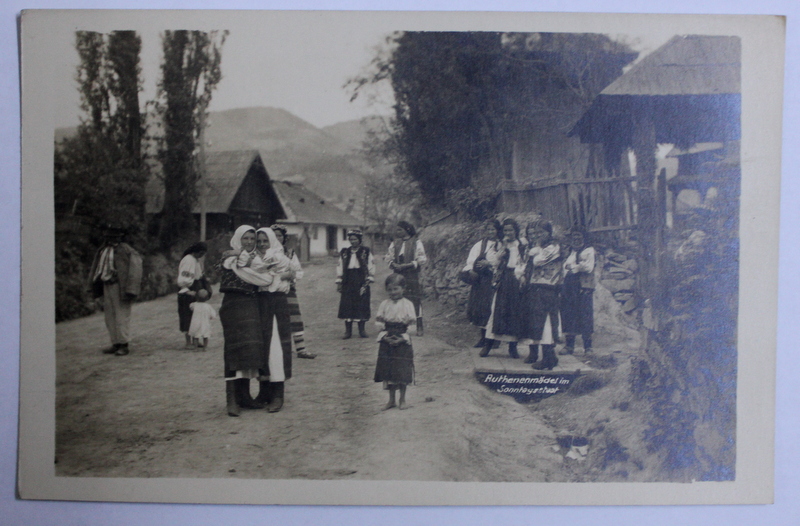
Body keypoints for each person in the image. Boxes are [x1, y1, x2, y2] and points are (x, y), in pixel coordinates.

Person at [217, 225, 275, 416]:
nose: (249, 242)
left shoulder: (257, 259)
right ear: (238, 239)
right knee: (234, 350)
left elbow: (265, 278)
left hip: (251, 306)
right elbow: (248, 274)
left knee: (250, 351)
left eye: (252, 239)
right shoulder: (229, 257)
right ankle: (231, 399)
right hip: (233, 305)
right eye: (246, 238)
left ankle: (244, 396)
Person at [252, 227, 295, 413]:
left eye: (265, 241)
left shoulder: (280, 257)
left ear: (272, 241)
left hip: (277, 303)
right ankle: (264, 391)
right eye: (259, 241)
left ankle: (278, 394)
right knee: (262, 346)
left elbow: (292, 274)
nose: (262, 245)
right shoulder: (253, 259)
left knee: (276, 347)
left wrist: (275, 277)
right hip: (260, 304)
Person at [88, 224, 143, 357]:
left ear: (120, 237)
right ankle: (115, 343)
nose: (111, 239)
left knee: (121, 316)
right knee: (110, 316)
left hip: (120, 287)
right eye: (109, 237)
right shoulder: (103, 250)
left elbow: (136, 268)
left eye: (114, 237)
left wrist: (131, 288)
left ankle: (124, 345)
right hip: (107, 285)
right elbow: (97, 268)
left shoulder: (126, 250)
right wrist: (93, 286)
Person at [517, 220, 564, 370]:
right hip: (537, 288)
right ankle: (549, 357)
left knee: (547, 323)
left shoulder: (554, 247)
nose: (538, 236)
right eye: (536, 233)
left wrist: (535, 250)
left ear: (549, 233)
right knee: (539, 322)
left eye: (541, 233)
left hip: (549, 288)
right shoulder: (539, 247)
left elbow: (538, 261)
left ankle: (549, 357)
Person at [480, 218, 523, 359]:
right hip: (503, 278)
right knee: (496, 310)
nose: (508, 233)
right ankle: (488, 344)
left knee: (514, 312)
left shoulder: (522, 244)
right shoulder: (499, 245)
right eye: (505, 230)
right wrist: (502, 249)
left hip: (516, 279)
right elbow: (492, 261)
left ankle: (512, 347)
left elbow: (524, 261)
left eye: (511, 230)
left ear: (516, 231)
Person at [271, 224, 315, 359]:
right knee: (274, 320)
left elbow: (298, 271)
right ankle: (278, 349)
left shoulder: (289, 253)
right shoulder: (264, 253)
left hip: (288, 290)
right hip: (270, 290)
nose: (277, 238)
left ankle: (301, 349)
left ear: (284, 238)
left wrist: (292, 275)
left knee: (294, 317)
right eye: (274, 235)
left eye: (279, 235)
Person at [374, 273, 417, 410]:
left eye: (396, 289)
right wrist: (384, 337)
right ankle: (391, 400)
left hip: (402, 338)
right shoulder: (384, 304)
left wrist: (402, 338)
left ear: (403, 288)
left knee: (402, 370)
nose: (393, 292)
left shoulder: (408, 305)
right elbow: (379, 322)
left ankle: (402, 400)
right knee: (389, 371)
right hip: (387, 337)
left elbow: (412, 326)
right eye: (390, 290)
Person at [463, 219, 501, 348]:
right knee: (481, 308)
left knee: (493, 308)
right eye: (488, 229)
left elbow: (502, 261)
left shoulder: (501, 244)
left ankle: (495, 339)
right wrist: (471, 270)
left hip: (495, 279)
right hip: (482, 280)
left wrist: (490, 265)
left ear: (498, 230)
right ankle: (483, 337)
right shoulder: (480, 245)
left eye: (493, 229)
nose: (491, 232)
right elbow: (471, 260)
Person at [386, 221, 427, 336]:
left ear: (407, 230)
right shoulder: (395, 243)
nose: (397, 232)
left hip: (411, 274)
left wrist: (406, 265)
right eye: (397, 229)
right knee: (398, 298)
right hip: (398, 274)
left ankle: (419, 326)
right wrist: (393, 265)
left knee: (415, 299)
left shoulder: (416, 242)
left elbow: (421, 259)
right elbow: (388, 258)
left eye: (399, 229)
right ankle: (399, 326)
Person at [559, 228, 596, 355]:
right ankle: (569, 346)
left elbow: (588, 267)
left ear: (584, 238)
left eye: (579, 236)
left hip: (583, 287)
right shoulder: (569, 251)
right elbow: (564, 268)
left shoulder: (589, 250)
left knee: (585, 315)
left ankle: (588, 347)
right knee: (569, 315)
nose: (576, 239)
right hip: (569, 287)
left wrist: (573, 267)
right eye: (574, 237)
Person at [337, 228, 375, 339]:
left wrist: (369, 277)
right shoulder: (345, 252)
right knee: (347, 303)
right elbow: (340, 266)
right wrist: (339, 281)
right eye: (351, 239)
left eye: (355, 239)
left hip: (361, 278)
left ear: (359, 240)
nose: (352, 241)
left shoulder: (365, 251)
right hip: (348, 279)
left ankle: (362, 330)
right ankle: (348, 331)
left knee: (361, 303)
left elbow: (371, 265)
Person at [177, 242, 210, 348]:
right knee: (186, 315)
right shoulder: (188, 260)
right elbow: (184, 277)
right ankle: (188, 342)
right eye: (200, 253)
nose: (201, 256)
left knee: (195, 317)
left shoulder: (196, 260)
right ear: (196, 251)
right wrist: (186, 290)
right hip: (187, 290)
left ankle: (195, 340)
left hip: (195, 289)